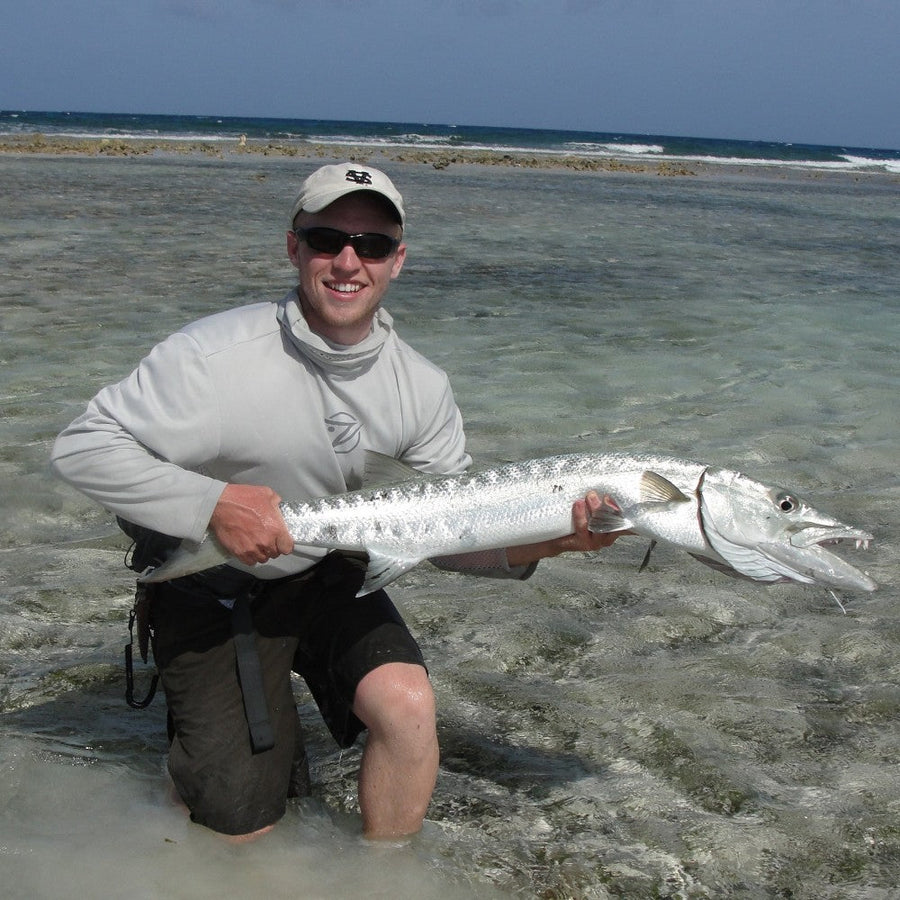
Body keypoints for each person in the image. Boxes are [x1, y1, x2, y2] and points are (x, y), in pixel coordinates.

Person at [51, 162, 622, 841]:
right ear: (293, 247)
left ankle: (382, 882)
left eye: (373, 245)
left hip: (328, 569)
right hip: (209, 580)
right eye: (327, 239)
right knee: (242, 825)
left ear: (397, 261)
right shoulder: (211, 356)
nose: (349, 262)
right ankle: (198, 770)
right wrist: (212, 505)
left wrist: (556, 539)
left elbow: (450, 538)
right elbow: (81, 444)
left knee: (408, 707)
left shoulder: (422, 386)